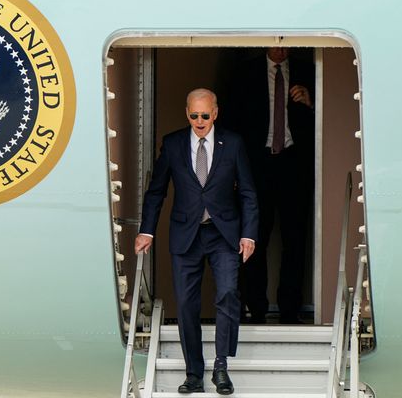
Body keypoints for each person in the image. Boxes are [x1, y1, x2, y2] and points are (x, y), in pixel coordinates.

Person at [134, 88, 258, 395]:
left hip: (223, 232)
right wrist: (147, 230)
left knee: (228, 294)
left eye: (205, 115)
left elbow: (247, 192)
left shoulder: (233, 143)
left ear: (215, 113)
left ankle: (221, 366)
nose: (199, 121)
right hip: (185, 233)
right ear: (186, 113)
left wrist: (249, 233)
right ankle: (193, 372)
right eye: (194, 115)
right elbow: (156, 191)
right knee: (187, 304)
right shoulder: (174, 143)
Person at [231, 47, 315, 324]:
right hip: (257, 166)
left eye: (285, 41)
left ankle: (290, 310)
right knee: (255, 238)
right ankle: (255, 309)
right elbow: (233, 121)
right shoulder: (245, 71)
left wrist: (311, 102)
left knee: (295, 239)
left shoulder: (309, 69)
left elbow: (331, 114)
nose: (280, 48)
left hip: (295, 164)